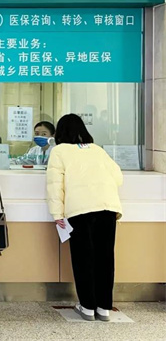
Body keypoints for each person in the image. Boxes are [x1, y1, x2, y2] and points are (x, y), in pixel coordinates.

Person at [46, 114, 123, 322]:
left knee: (83, 258)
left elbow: (55, 185)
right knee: (105, 258)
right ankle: (104, 307)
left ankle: (87, 307)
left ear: (60, 133)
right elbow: (118, 178)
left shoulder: (59, 151)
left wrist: (57, 214)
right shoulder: (97, 150)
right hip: (107, 207)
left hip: (80, 210)